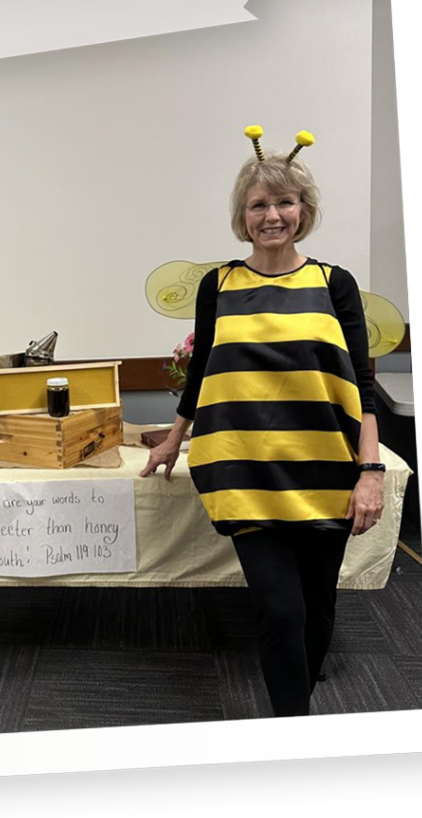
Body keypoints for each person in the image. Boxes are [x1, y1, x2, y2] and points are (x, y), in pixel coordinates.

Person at [140, 127, 385, 718]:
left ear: (304, 211)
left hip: (326, 469)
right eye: (258, 205)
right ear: (241, 215)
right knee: (280, 611)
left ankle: (303, 675)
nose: (271, 215)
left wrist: (370, 470)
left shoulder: (334, 284)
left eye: (284, 202)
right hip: (244, 471)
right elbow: (202, 368)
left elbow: (361, 384)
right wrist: (175, 436)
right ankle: (292, 733)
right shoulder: (218, 284)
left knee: (317, 607)